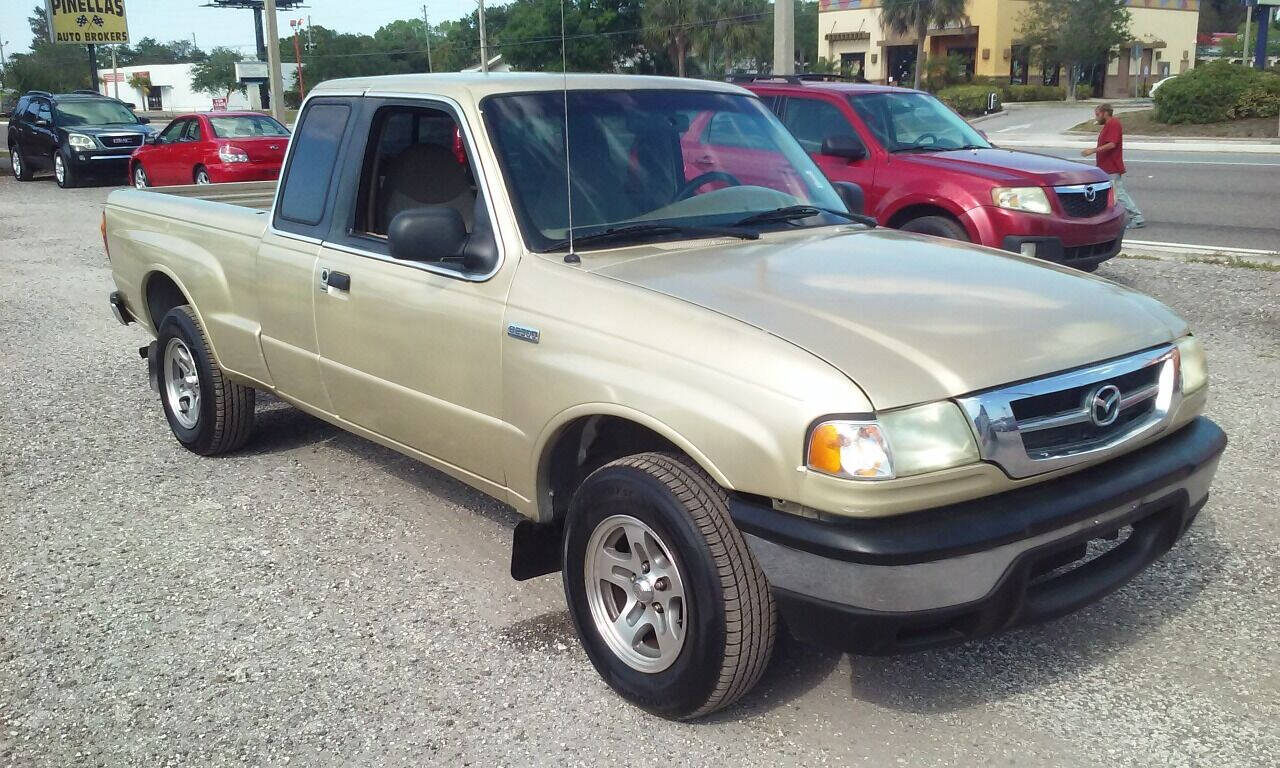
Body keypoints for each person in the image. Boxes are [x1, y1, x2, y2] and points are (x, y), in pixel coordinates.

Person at [1082, 104, 1144, 229]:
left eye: (1098, 114)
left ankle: (1137, 217)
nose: (1097, 117)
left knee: (1119, 193)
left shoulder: (1113, 124)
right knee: (1106, 194)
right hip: (1105, 167)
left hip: (1112, 166)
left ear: (1105, 113)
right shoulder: (1108, 125)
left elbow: (1112, 144)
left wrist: (1092, 151)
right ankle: (1105, 218)